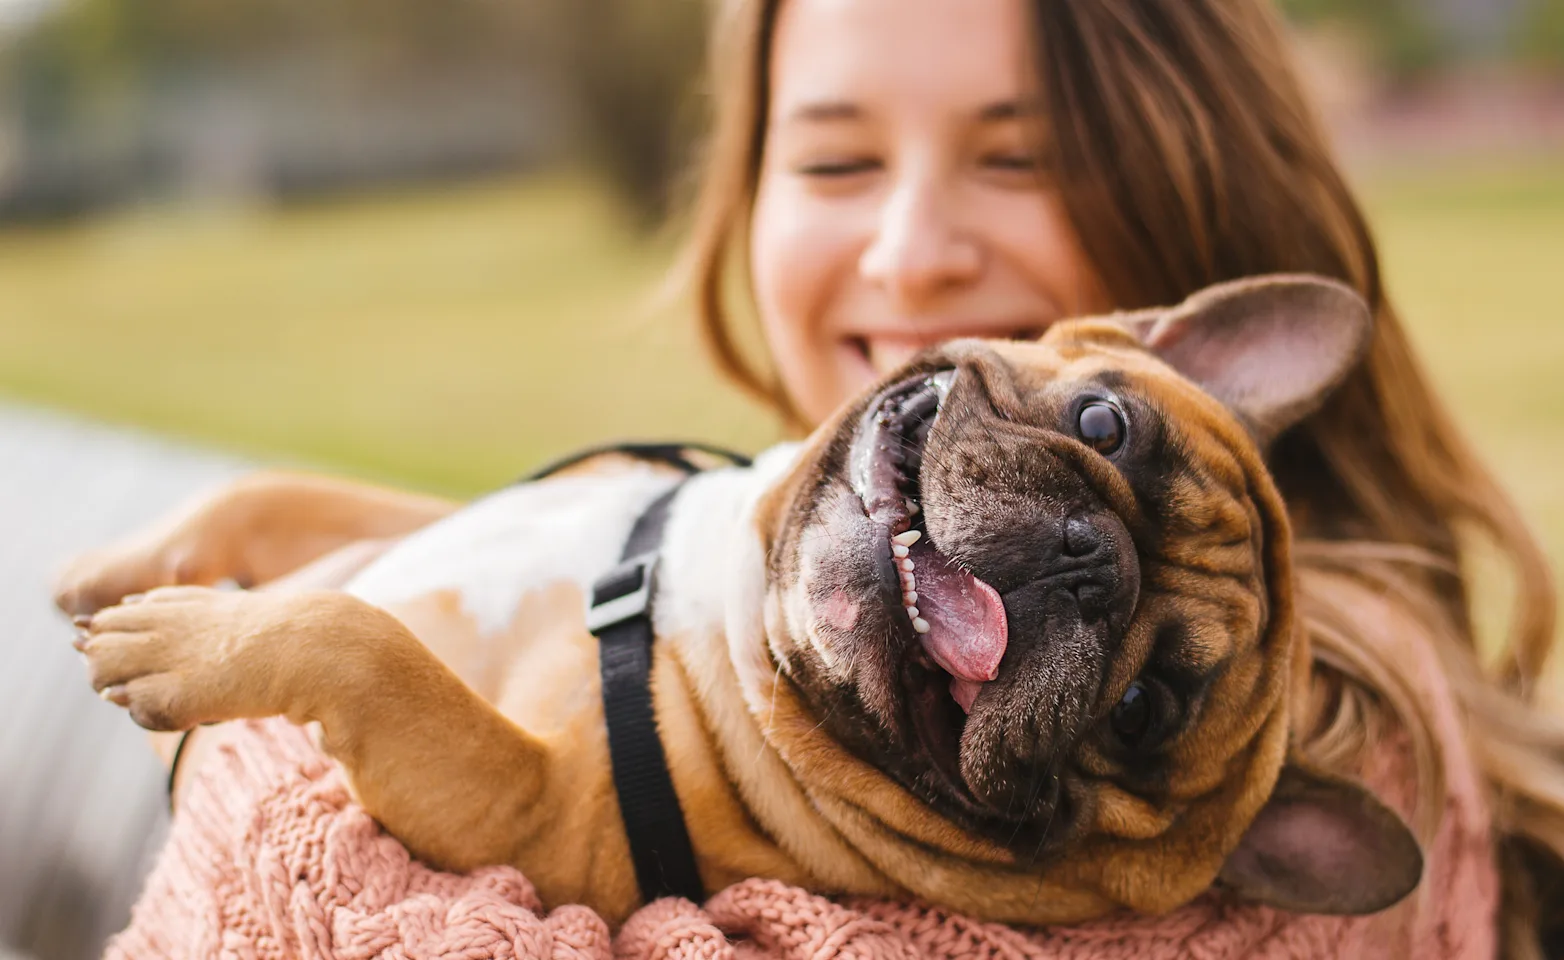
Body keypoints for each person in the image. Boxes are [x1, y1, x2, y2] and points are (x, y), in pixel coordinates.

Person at [81, 0, 1564, 955]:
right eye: (838, 162)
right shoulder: (789, 541)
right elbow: (532, 566)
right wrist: (292, 528)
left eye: (1015, 159)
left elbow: (266, 919)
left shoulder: (1285, 816)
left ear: (1196, 192)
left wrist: (250, 716)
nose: (911, 249)